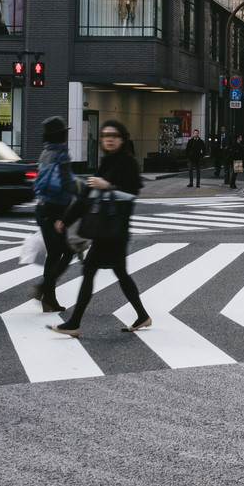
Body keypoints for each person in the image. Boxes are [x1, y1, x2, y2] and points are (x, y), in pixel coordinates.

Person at [49, 121, 152, 337]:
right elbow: (87, 198)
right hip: (106, 230)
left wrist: (109, 186)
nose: (108, 139)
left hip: (115, 231)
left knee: (91, 271)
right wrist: (65, 220)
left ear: (122, 138)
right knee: (118, 273)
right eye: (105, 135)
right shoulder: (105, 163)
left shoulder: (128, 163)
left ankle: (75, 323)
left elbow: (133, 193)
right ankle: (142, 316)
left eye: (113, 135)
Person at [31, 117, 78, 313]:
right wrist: (82, 192)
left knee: (53, 254)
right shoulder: (61, 154)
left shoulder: (46, 152)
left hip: (42, 208)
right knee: (67, 252)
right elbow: (67, 183)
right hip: (56, 209)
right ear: (62, 135)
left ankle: (49, 300)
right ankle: (43, 288)